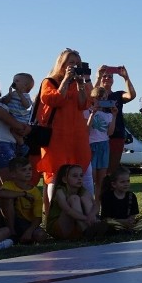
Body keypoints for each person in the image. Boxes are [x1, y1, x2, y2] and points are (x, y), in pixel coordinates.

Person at [36, 49, 93, 212]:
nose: (75, 66)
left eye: (77, 63)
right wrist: (66, 80)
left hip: (77, 135)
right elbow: (53, 99)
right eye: (71, 62)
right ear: (62, 64)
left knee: (82, 171)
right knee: (55, 174)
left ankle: (87, 213)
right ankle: (54, 214)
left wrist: (81, 85)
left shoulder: (78, 83)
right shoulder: (49, 81)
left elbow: (84, 104)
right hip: (57, 136)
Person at [92, 65, 137, 174]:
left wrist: (126, 78)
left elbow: (131, 95)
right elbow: (91, 95)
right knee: (94, 170)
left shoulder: (118, 95)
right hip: (96, 136)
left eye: (110, 77)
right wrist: (98, 78)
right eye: (104, 76)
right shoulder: (95, 96)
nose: (107, 78)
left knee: (111, 170)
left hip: (116, 135)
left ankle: (108, 189)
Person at [46, 164, 107, 240]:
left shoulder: (83, 190)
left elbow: (96, 205)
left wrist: (91, 215)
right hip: (59, 227)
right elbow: (68, 210)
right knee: (74, 198)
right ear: (65, 179)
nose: (79, 178)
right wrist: (86, 218)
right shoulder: (60, 191)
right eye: (75, 176)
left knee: (85, 199)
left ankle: (93, 228)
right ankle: (85, 230)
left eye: (81, 175)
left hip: (76, 226)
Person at [0, 157, 47, 243]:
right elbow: (1, 194)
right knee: (7, 199)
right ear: (13, 174)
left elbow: (38, 217)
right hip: (7, 221)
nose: (28, 172)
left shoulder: (35, 192)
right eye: (23, 170)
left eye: (30, 169)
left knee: (41, 235)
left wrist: (29, 231)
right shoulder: (8, 185)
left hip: (26, 223)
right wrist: (24, 194)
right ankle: (12, 233)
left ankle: (20, 237)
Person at [100, 167, 142, 233]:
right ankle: (125, 230)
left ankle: (130, 229)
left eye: (128, 181)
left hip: (128, 223)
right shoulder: (107, 197)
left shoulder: (131, 196)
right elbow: (105, 218)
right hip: (115, 223)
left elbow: (133, 215)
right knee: (107, 222)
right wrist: (122, 221)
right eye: (122, 182)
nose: (126, 184)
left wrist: (130, 221)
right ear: (114, 184)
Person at [85, 87, 116, 201]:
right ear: (93, 98)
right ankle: (89, 205)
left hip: (104, 146)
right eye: (99, 98)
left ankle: (98, 206)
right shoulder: (87, 111)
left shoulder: (108, 115)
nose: (102, 100)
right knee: (90, 178)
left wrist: (114, 116)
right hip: (91, 145)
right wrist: (92, 114)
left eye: (104, 98)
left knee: (101, 181)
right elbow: (86, 131)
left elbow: (110, 132)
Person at [0, 72, 34, 154]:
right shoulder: (12, 94)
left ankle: (22, 145)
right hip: (12, 116)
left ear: (25, 85)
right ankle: (17, 145)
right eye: (14, 80)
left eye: (17, 81)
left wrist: (20, 94)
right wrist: (10, 95)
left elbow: (27, 105)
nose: (14, 82)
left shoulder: (25, 95)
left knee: (14, 131)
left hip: (20, 118)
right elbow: (4, 102)